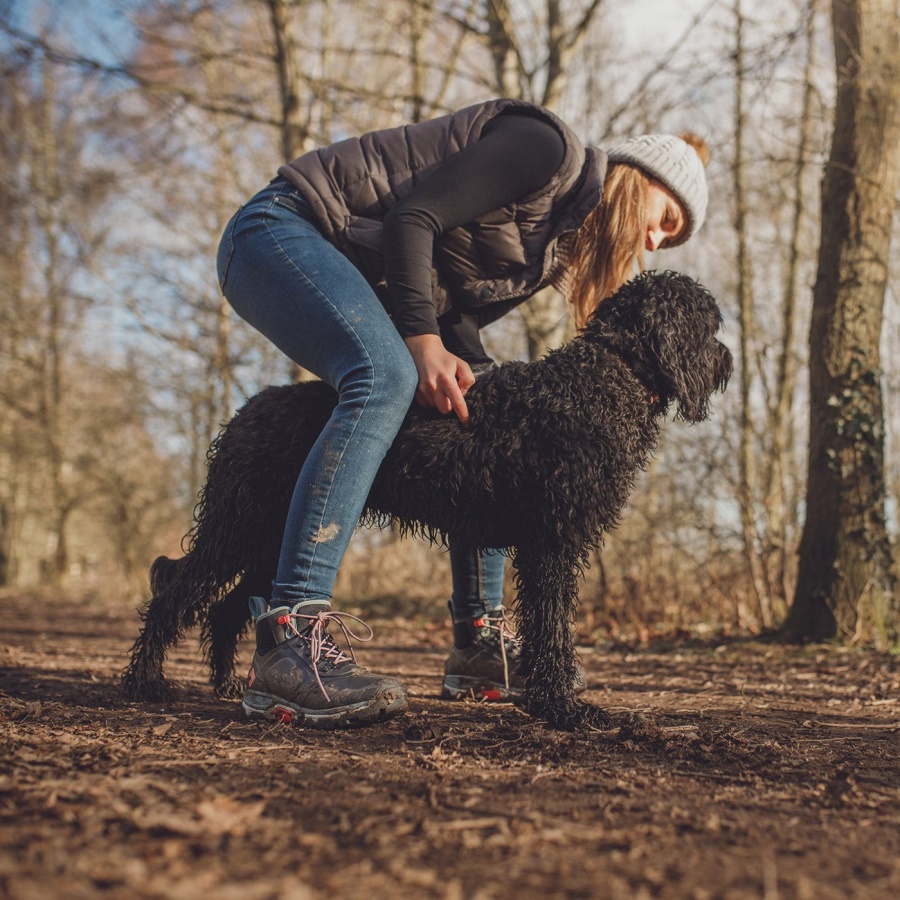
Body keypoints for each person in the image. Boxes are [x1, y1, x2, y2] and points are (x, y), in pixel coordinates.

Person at [215, 98, 709, 728]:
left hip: (348, 266)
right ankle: (292, 639)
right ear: (638, 178)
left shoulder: (551, 248)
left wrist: (481, 382)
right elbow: (412, 220)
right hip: (281, 230)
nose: (654, 241)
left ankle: (479, 643)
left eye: (669, 239)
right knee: (385, 376)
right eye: (663, 218)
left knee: (495, 410)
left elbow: (455, 312)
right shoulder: (548, 151)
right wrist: (421, 342)